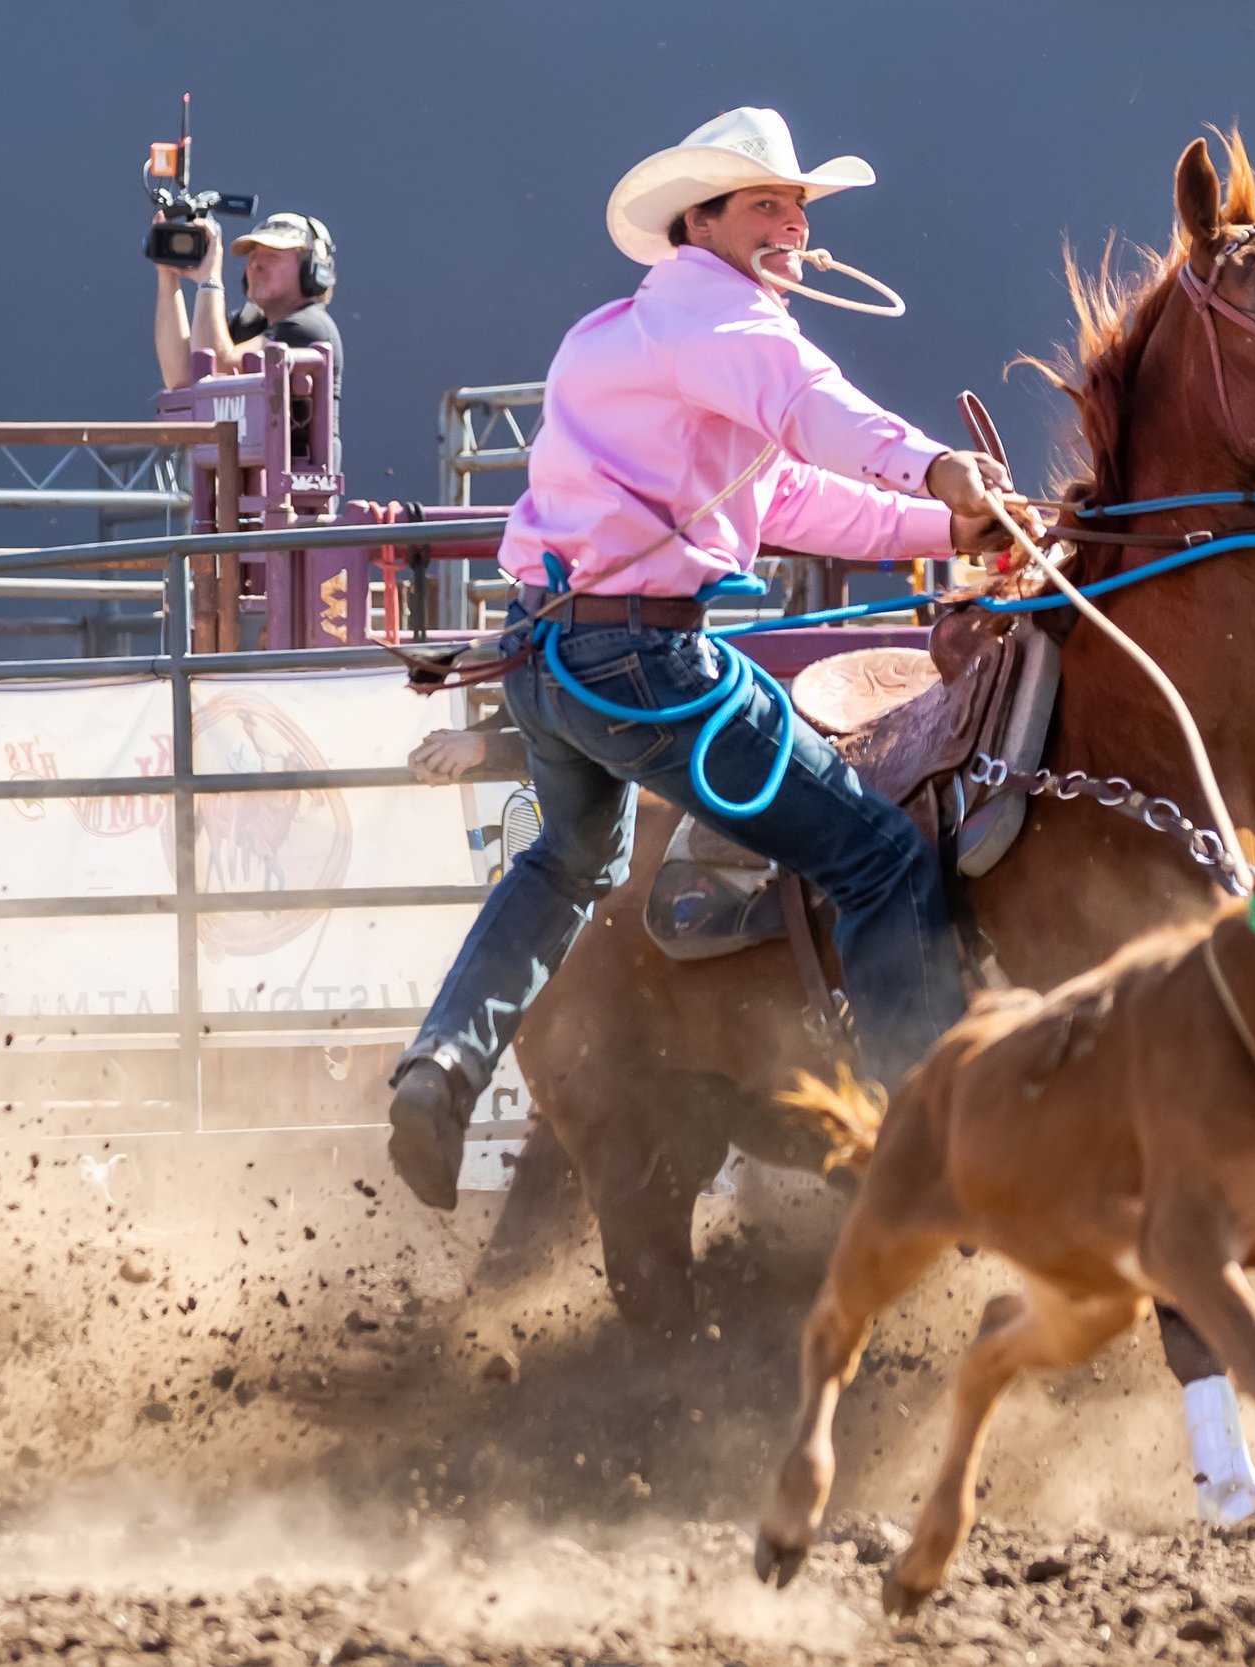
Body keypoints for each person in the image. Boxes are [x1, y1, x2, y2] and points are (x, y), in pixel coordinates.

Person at [383, 107, 1028, 1210]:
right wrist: (937, 472)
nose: (793, 226)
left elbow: (788, 495)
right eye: (767, 204)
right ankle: (927, 1152)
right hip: (645, 664)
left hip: (547, 659)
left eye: (798, 207)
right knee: (876, 855)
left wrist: (942, 529)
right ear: (703, 219)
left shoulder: (613, 336)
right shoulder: (735, 328)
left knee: (567, 865)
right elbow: (818, 412)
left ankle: (443, 1061)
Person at [152, 210, 344, 389]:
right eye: (252, 256)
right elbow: (180, 377)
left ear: (311, 270)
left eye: (271, 256)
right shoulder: (246, 324)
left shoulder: (309, 327)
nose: (255, 264)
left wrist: (210, 281)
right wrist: (167, 274)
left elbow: (213, 367)